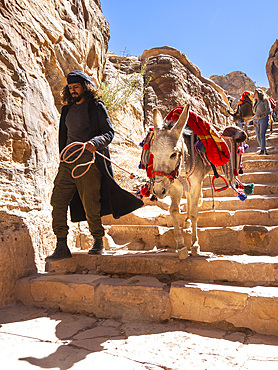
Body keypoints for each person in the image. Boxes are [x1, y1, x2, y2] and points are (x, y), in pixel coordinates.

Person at [46, 70, 143, 261]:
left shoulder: (96, 107)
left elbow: (109, 133)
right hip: (68, 163)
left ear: (85, 87)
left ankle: (98, 240)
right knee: (57, 201)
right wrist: (62, 156)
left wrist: (95, 142)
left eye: (76, 87)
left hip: (89, 162)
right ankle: (61, 244)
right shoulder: (66, 110)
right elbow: (63, 137)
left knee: (90, 203)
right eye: (70, 88)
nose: (73, 91)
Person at [252, 88, 271, 155]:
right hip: (256, 121)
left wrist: (262, 114)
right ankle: (264, 150)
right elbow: (256, 113)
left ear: (259, 93)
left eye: (255, 93)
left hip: (263, 119)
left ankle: (262, 150)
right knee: (258, 136)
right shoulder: (256, 102)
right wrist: (250, 120)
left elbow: (268, 110)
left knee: (261, 134)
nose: (254, 95)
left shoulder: (265, 100)